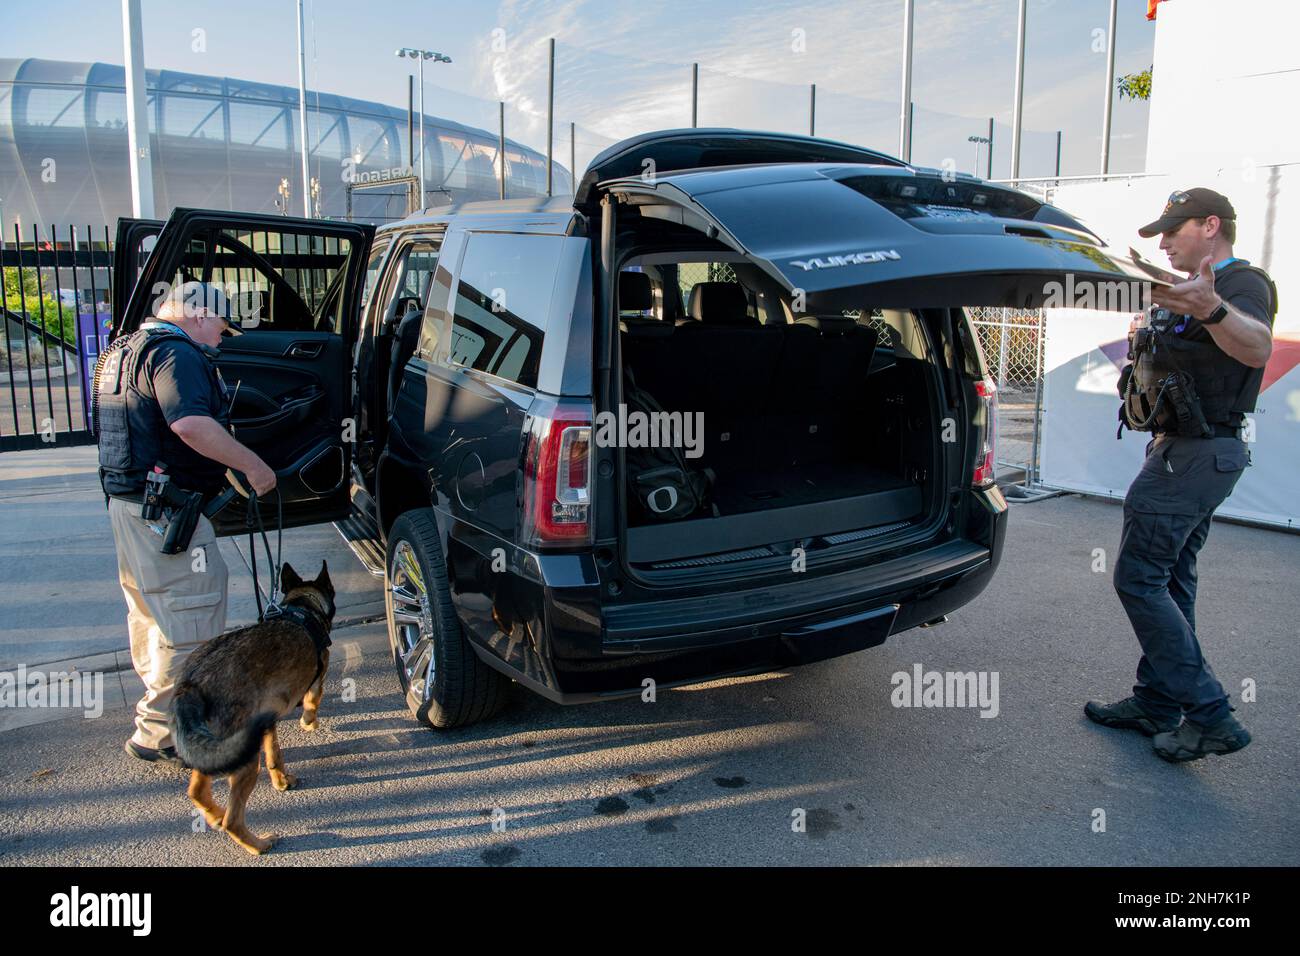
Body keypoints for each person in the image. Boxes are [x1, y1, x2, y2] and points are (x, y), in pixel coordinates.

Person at [1086, 188, 1277, 762]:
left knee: (1138, 578)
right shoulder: (1184, 292)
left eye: (1173, 230)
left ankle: (1211, 715)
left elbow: (1258, 347)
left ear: (1211, 225)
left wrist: (1210, 308)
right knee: (1171, 580)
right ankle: (1157, 704)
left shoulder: (1242, 285)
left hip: (1194, 456)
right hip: (1182, 451)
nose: (1165, 242)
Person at [96, 281, 276, 766]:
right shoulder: (177, 355)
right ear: (197, 315)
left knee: (152, 618)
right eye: (221, 325)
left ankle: (154, 725)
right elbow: (189, 425)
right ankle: (173, 732)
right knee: (190, 621)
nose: (223, 336)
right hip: (167, 516)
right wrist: (253, 466)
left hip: (132, 507)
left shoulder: (126, 349)